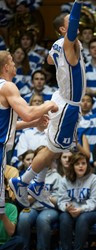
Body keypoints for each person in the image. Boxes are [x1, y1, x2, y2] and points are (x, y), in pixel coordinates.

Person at [10, 0, 94, 209]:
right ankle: (23, 180)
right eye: (69, 24)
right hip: (68, 102)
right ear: (62, 30)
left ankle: (38, 183)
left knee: (60, 146)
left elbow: (48, 61)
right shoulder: (68, 43)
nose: (75, 26)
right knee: (54, 148)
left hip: (64, 98)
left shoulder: (58, 46)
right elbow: (73, 24)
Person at [0, 50, 57, 213]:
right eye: (11, 61)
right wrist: (49, 104)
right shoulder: (7, 86)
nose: (14, 64)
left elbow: (10, 124)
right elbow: (27, 112)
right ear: (5, 67)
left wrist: (34, 122)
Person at [57, 152, 96, 250]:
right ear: (72, 166)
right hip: (71, 211)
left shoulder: (94, 179)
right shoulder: (65, 180)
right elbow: (61, 200)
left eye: (83, 163)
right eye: (77, 164)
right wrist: (67, 207)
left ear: (87, 165)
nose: (81, 166)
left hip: (91, 211)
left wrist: (81, 209)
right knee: (64, 217)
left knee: (83, 219)